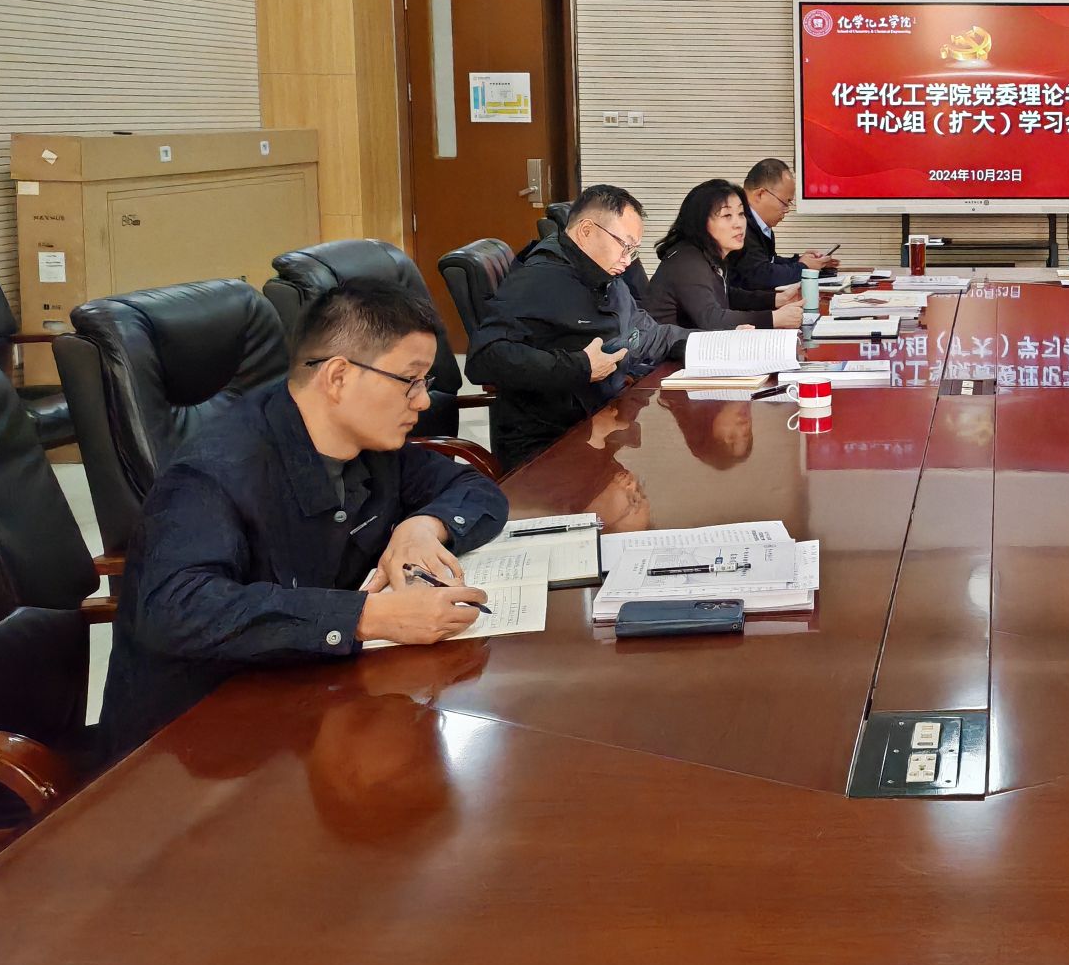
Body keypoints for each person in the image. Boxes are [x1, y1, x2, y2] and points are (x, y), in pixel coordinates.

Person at [101, 279, 509, 756]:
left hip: (311, 698)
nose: (422, 401)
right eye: (409, 381)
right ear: (338, 377)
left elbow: (476, 490)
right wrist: (365, 617)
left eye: (425, 383)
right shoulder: (214, 472)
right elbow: (176, 608)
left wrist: (422, 527)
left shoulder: (368, 443)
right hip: (196, 746)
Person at [469, 183, 690, 468]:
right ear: (586, 231)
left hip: (602, 422)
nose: (627, 260)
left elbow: (647, 334)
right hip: (550, 445)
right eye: (624, 246)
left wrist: (719, 344)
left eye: (633, 250)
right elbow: (483, 358)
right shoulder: (539, 280)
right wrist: (581, 367)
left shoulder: (603, 275)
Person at [649, 179, 806, 333]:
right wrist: (773, 318)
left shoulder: (709, 254)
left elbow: (726, 295)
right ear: (701, 222)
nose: (738, 224)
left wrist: (777, 299)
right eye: (727, 215)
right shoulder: (688, 262)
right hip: (669, 350)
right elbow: (712, 319)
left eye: (741, 214)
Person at [734, 157, 840, 293]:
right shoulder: (739, 226)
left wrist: (800, 261)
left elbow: (769, 262)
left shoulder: (759, 225)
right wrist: (804, 267)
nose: (787, 209)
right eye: (785, 202)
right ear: (760, 194)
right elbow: (760, 275)